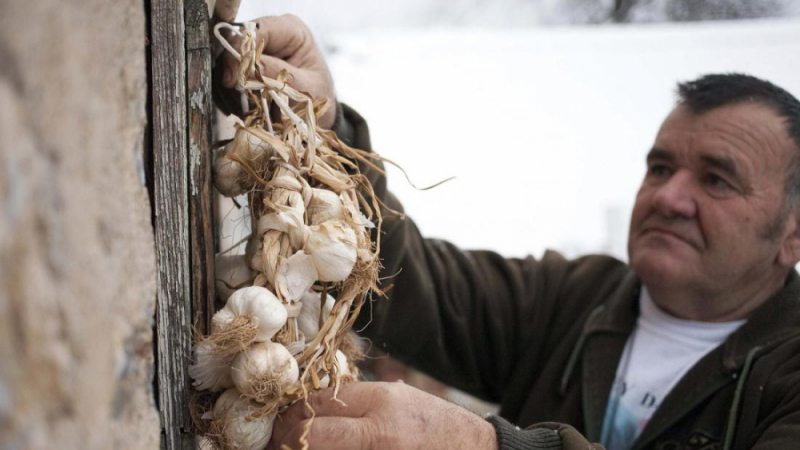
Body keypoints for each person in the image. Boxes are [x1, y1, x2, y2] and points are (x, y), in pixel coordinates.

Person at [217, 15, 800, 450]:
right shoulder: (579, 298)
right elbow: (414, 283)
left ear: (793, 234)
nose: (670, 197)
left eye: (718, 180)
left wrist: (487, 445)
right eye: (660, 168)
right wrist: (324, 129)